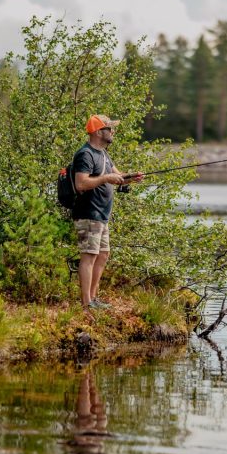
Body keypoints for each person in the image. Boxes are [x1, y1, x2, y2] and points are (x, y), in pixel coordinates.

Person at [71, 115, 143, 311]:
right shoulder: (85, 155)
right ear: (97, 132)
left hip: (101, 215)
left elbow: (117, 177)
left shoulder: (103, 154)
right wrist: (105, 178)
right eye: (109, 128)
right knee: (89, 256)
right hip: (88, 213)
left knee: (103, 254)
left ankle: (94, 298)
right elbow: (81, 183)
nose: (113, 132)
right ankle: (86, 303)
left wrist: (131, 178)